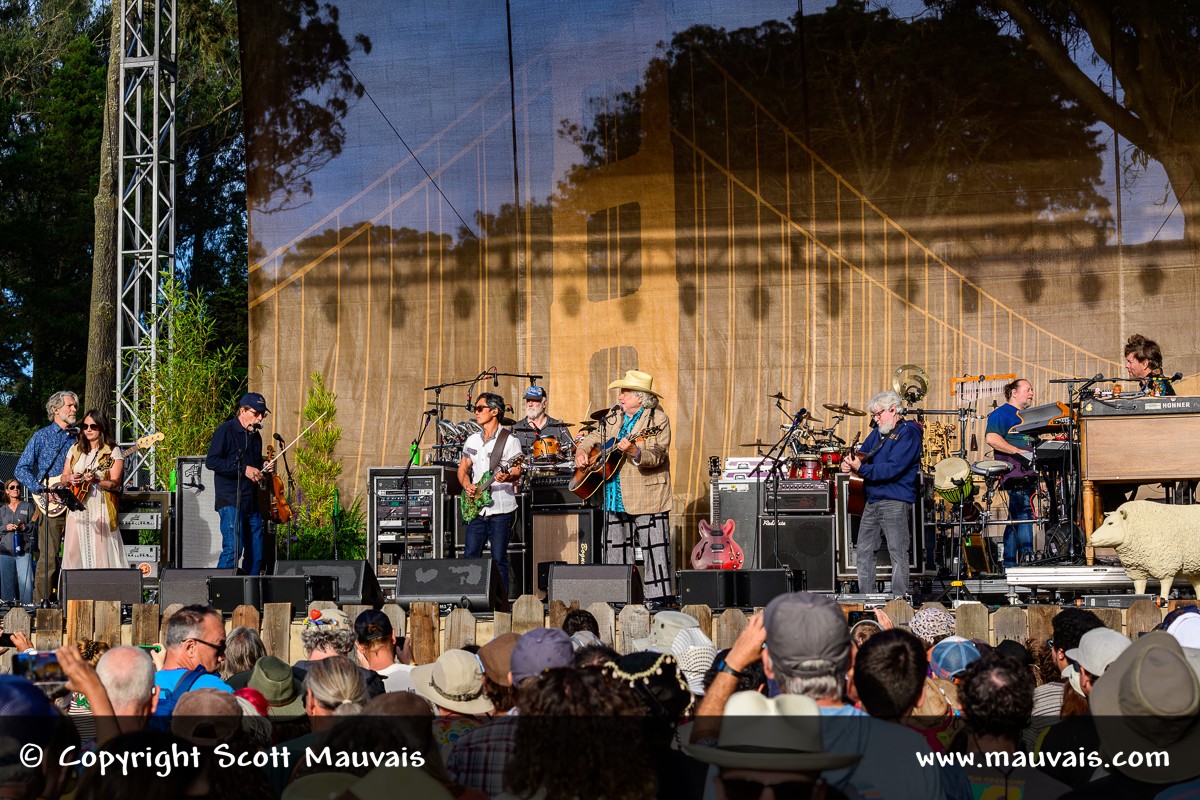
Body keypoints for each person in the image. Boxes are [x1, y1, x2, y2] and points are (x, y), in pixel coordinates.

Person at [574, 369, 675, 608]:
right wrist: (582, 450)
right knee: (614, 546)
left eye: (626, 392)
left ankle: (658, 598)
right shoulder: (614, 414)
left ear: (641, 397)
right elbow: (594, 437)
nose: (620, 397)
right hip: (613, 492)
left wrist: (635, 452)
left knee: (654, 547)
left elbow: (659, 455)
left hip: (648, 495)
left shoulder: (657, 420)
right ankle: (619, 596)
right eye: (621, 392)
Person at [840, 389, 922, 596]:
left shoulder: (909, 432)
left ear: (893, 409)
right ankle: (865, 597)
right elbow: (861, 455)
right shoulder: (877, 433)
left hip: (895, 499)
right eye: (874, 415)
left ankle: (898, 599)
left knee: (897, 552)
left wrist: (861, 468)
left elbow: (894, 468)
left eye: (879, 414)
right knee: (864, 552)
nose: (875, 419)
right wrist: (848, 464)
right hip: (872, 500)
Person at [15, 390, 78, 604]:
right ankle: (41, 606)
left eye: (75, 406)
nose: (74, 409)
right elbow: (21, 469)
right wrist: (40, 490)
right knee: (47, 558)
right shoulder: (41, 436)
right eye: (69, 405)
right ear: (55, 409)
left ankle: (73, 603)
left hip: (76, 503)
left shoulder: (81, 436)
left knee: (76, 557)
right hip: (48, 504)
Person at [458, 392, 523, 594]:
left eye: (479, 408)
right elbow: (463, 468)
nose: (475, 412)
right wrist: (467, 484)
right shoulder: (472, 440)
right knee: (470, 557)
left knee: (498, 559)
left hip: (500, 508)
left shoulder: (510, 441)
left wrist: (508, 477)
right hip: (477, 509)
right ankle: (470, 600)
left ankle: (500, 604)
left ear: (494, 412)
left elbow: (517, 470)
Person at [205, 392, 270, 574]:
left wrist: (262, 466)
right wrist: (243, 470)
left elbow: (254, 464)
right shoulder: (225, 430)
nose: (260, 418)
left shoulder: (255, 437)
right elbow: (212, 461)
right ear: (242, 410)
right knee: (233, 550)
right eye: (256, 413)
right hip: (231, 500)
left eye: (262, 415)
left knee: (256, 553)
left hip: (251, 502)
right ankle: (220, 595)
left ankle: (250, 596)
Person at [60, 410, 127, 573]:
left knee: (100, 554)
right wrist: (71, 479)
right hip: (77, 506)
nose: (88, 430)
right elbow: (63, 477)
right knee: (71, 552)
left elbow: (115, 484)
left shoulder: (112, 451)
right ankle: (75, 595)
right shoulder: (75, 449)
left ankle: (102, 594)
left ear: (101, 427)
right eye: (85, 426)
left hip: (100, 506)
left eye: (93, 426)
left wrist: (96, 481)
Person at [985, 378, 1037, 567]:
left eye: (1032, 390)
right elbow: (991, 438)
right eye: (1028, 389)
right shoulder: (1001, 414)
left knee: (1015, 519)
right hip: (1016, 475)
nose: (1031, 393)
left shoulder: (1027, 415)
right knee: (1024, 515)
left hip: (1028, 474)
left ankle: (1008, 564)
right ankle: (1027, 563)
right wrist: (1018, 452)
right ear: (1014, 393)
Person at [156, 605, 232, 694]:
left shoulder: (142, 686)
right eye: (220, 648)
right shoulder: (213, 688)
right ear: (190, 648)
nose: (222, 657)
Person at [0, 477, 37, 604]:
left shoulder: (27, 506)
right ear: (7, 491)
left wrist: (24, 527)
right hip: (5, 551)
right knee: (6, 582)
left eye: (18, 487)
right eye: (12, 487)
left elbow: (34, 526)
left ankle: (27, 608)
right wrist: (6, 527)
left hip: (24, 550)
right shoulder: (2, 509)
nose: (16, 489)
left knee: (26, 582)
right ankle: (6, 608)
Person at [511, 385, 573, 457]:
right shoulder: (515, 428)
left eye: (534, 400)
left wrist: (578, 444)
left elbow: (570, 452)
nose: (530, 404)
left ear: (544, 404)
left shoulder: (559, 427)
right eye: (528, 401)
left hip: (553, 467)